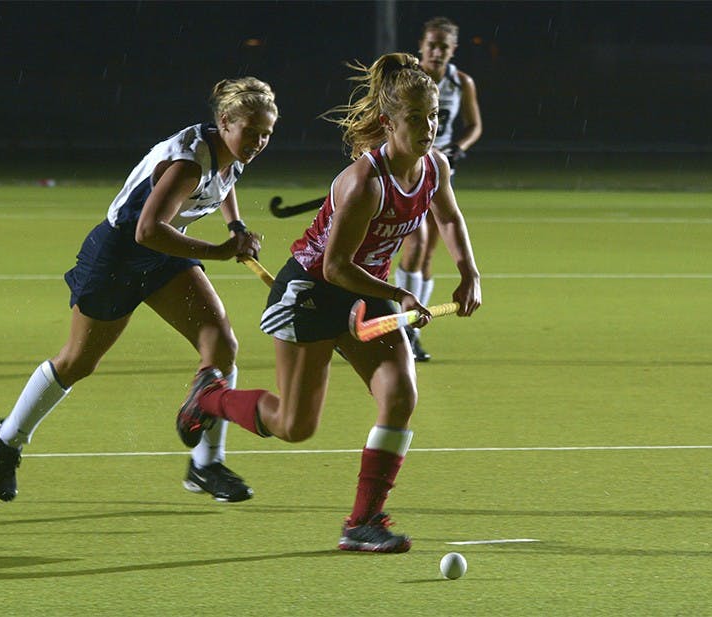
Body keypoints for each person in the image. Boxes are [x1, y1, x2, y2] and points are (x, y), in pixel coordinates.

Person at [175, 52, 481, 553]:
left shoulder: (434, 166)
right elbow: (336, 266)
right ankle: (208, 397)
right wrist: (399, 293)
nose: (429, 128)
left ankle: (363, 523)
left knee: (400, 395)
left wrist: (468, 270)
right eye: (416, 119)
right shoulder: (364, 181)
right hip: (313, 295)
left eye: (434, 118)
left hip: (368, 292)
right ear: (388, 121)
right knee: (295, 426)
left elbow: (448, 217)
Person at [0, 77, 278, 504]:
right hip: (120, 255)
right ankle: (7, 437)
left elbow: (227, 181)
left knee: (221, 345)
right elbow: (145, 230)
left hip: (165, 251)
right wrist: (218, 251)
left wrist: (236, 226)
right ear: (225, 121)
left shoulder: (234, 150)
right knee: (77, 362)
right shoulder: (189, 163)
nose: (258, 141)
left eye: (267, 133)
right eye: (251, 131)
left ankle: (205, 464)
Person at [394, 16, 483, 362]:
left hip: (438, 172)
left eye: (443, 46)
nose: (436, 51)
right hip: (408, 170)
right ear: (421, 44)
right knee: (414, 244)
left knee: (427, 251)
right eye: (431, 44)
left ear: (453, 50)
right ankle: (402, 325)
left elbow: (474, 125)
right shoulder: (407, 80)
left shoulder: (461, 83)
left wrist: (458, 148)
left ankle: (411, 330)